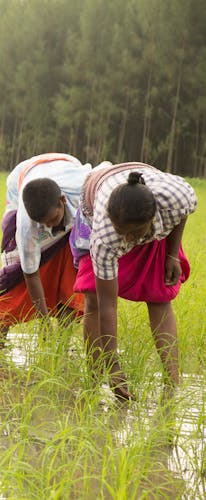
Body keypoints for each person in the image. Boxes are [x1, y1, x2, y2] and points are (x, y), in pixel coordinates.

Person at [70, 162, 197, 401]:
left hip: (146, 213)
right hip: (95, 198)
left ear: (153, 218)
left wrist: (172, 253)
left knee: (159, 296)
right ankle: (95, 378)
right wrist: (113, 364)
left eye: (133, 234)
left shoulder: (176, 197)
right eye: (122, 232)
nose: (127, 240)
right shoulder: (106, 235)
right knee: (94, 299)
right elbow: (108, 306)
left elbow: (182, 213)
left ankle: (173, 383)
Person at [0, 153, 103, 345]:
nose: (50, 228)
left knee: (72, 270)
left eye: (52, 220)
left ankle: (63, 339)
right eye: (43, 224)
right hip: (20, 178)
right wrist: (44, 321)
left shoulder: (86, 190)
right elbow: (30, 272)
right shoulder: (25, 223)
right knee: (14, 276)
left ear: (62, 201)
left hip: (67, 164)